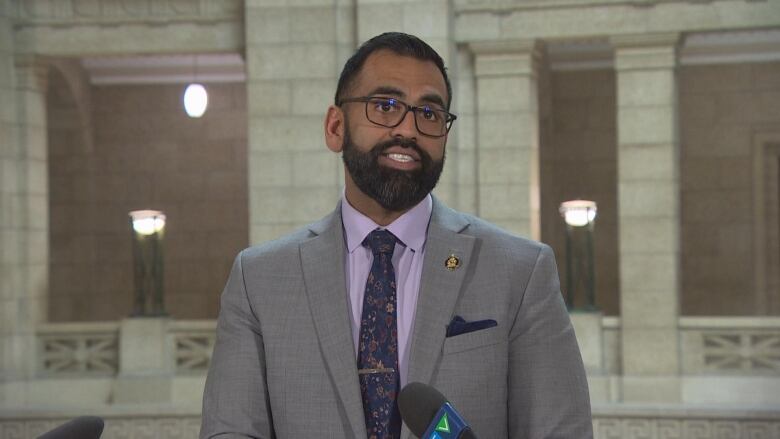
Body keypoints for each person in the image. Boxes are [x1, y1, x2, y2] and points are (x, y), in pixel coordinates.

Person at [200, 32, 592, 439]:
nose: (409, 128)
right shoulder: (258, 280)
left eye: (429, 113)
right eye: (384, 106)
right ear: (336, 127)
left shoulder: (522, 272)